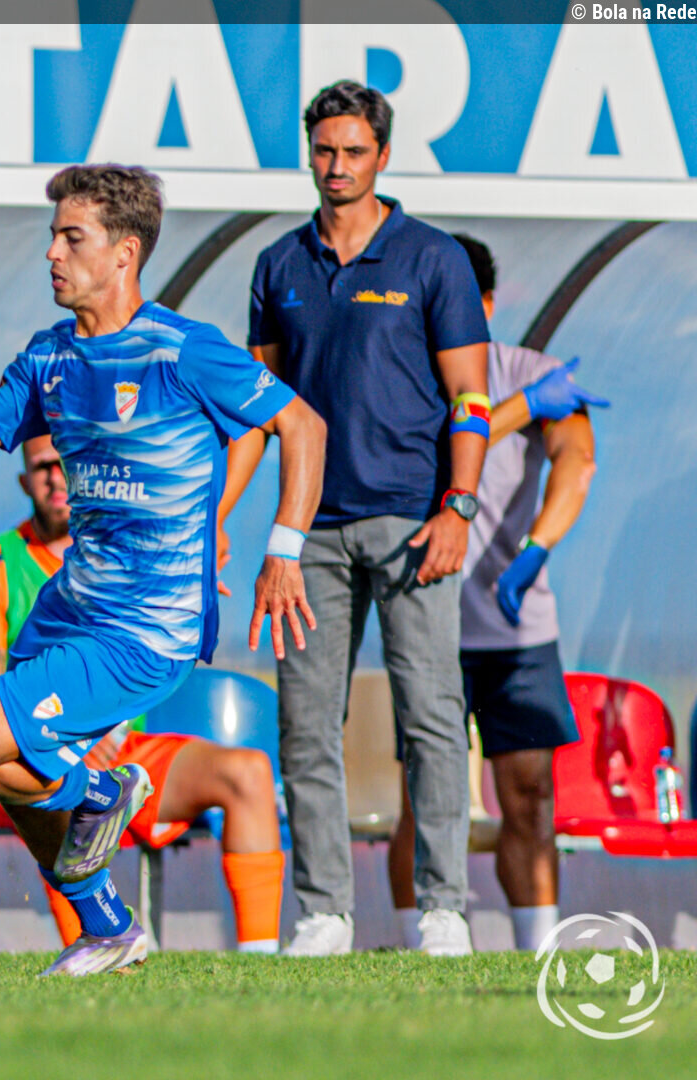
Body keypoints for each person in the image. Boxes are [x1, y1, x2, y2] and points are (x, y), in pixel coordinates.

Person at [0, 163, 325, 976]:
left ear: (124, 252)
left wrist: (281, 550)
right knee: (0, 767)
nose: (53, 254)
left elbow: (301, 425)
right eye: (53, 237)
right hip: (70, 610)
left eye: (72, 238)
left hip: (150, 625)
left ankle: (103, 796)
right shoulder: (49, 357)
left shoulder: (183, 349)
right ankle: (106, 925)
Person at [223, 80, 491, 957]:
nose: (336, 166)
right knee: (305, 724)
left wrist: (458, 507)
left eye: (353, 151)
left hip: (415, 525)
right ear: (309, 153)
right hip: (307, 534)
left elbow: (472, 396)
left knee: (431, 719)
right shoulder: (278, 265)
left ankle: (444, 910)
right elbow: (260, 411)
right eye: (324, 150)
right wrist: (223, 516)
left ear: (383, 156)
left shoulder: (433, 258)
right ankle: (324, 914)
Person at [0, 436, 285, 954]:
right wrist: (67, 735)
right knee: (31, 766)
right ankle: (99, 939)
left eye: (65, 463)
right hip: (43, 748)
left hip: (124, 751)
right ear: (24, 481)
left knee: (249, 773)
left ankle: (260, 965)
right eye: (42, 467)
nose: (56, 477)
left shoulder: (132, 550)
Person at [387, 235, 603, 952]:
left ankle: (536, 950)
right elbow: (455, 443)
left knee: (530, 793)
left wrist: (536, 548)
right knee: (424, 797)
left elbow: (577, 463)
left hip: (517, 630)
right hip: (430, 619)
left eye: (458, 300)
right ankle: (415, 947)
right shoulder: (404, 376)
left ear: (485, 303)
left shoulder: (532, 370)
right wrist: (523, 408)